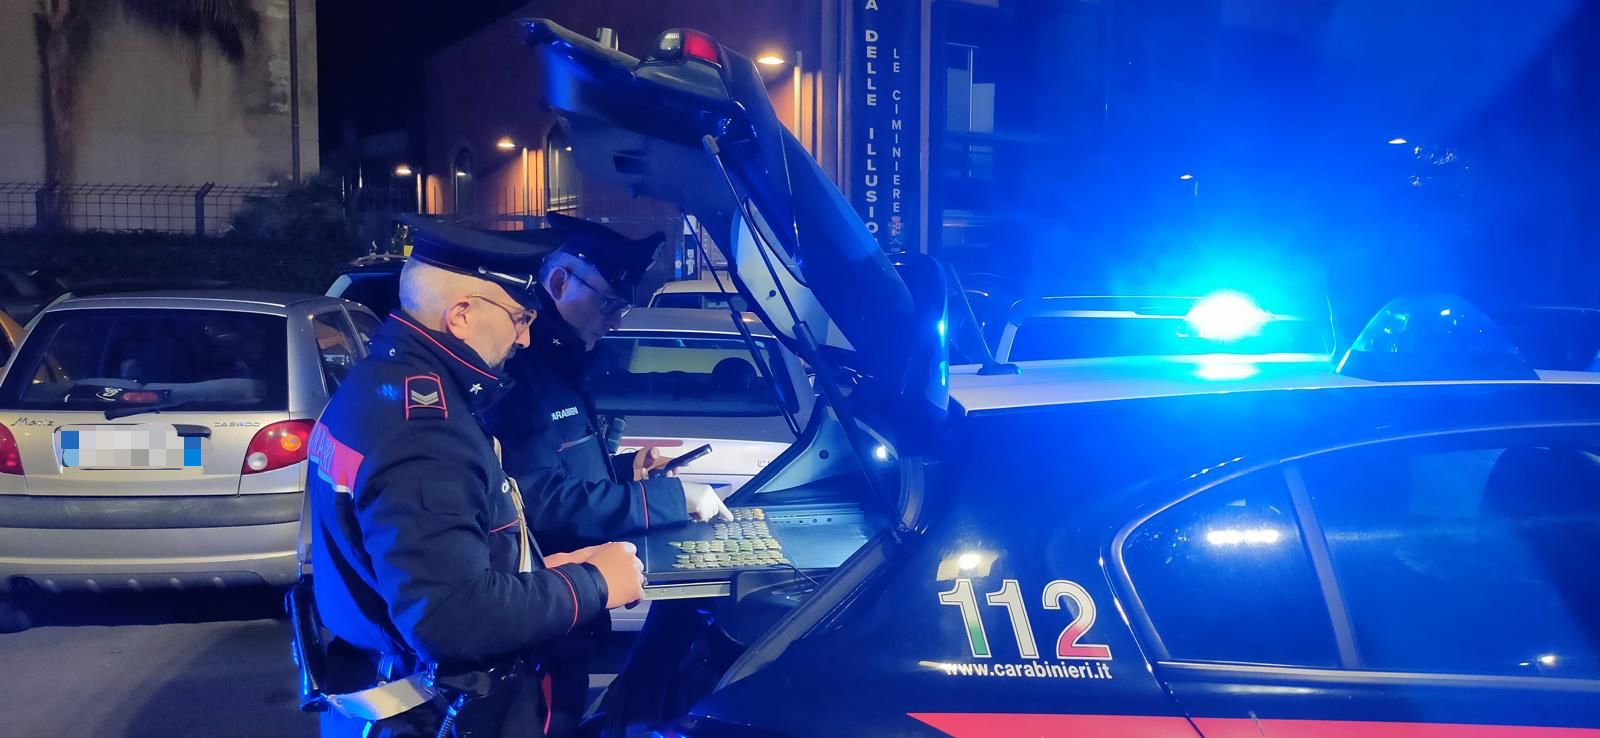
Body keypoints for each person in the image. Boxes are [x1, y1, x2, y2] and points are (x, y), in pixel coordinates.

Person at [306, 217, 646, 738]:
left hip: (389, 687)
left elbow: (433, 558)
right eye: (519, 317)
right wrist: (595, 583)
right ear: (462, 316)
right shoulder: (425, 429)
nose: (526, 337)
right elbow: (450, 616)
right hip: (441, 712)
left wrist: (539, 572)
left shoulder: (379, 385)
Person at [485, 212, 732, 736]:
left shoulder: (561, 363)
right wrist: (672, 499)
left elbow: (565, 466)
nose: (616, 321)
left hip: (569, 604)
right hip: (544, 606)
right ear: (559, 282)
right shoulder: (524, 374)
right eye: (608, 304)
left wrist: (626, 472)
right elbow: (539, 497)